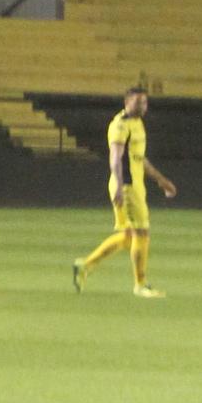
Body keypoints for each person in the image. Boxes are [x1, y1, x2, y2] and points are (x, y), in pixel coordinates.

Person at [76, 84, 177, 298]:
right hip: (128, 186)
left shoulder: (137, 123)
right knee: (142, 233)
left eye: (145, 102)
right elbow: (115, 158)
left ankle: (85, 265)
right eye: (138, 102)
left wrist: (161, 180)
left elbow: (139, 158)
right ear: (126, 102)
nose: (143, 106)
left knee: (128, 235)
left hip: (135, 185)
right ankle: (140, 285)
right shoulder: (120, 125)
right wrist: (120, 186)